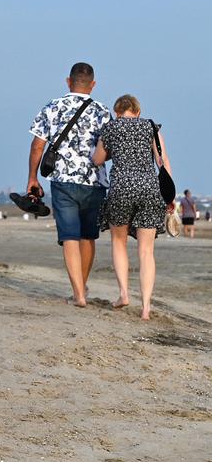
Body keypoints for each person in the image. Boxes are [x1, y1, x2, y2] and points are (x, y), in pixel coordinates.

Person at [27, 62, 111, 307]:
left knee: (69, 236)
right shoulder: (103, 112)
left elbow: (37, 146)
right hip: (94, 181)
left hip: (62, 181)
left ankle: (78, 294)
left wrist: (32, 177)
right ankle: (82, 287)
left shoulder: (52, 107)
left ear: (68, 81)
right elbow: (109, 150)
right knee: (88, 236)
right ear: (93, 84)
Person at [91, 94, 172, 321]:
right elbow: (162, 162)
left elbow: (97, 159)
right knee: (146, 251)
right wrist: (169, 195)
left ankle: (124, 294)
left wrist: (115, 150)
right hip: (149, 189)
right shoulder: (150, 127)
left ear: (117, 112)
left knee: (119, 242)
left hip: (121, 189)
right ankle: (146, 308)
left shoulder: (111, 128)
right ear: (137, 111)